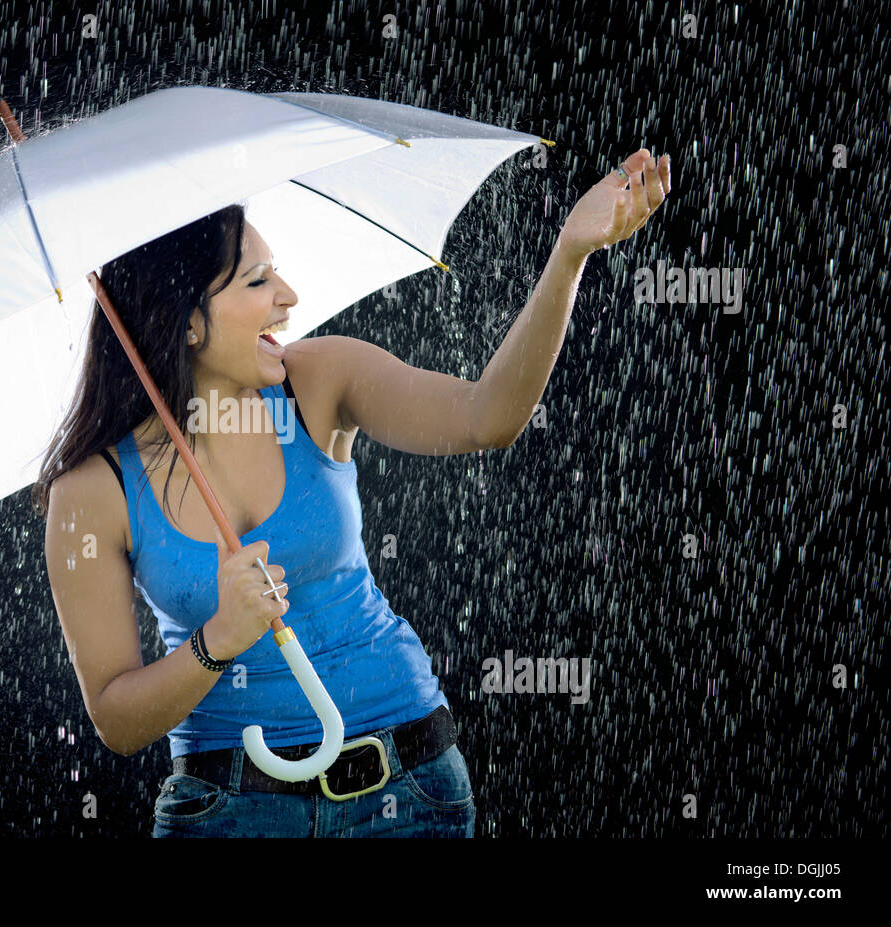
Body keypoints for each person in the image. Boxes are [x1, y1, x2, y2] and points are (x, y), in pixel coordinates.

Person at [33, 150, 669, 837]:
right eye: (257, 281)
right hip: (229, 812)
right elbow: (117, 719)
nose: (289, 296)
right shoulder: (93, 489)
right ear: (188, 321)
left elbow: (489, 415)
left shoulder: (318, 379)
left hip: (409, 782)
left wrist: (570, 253)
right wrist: (219, 638)